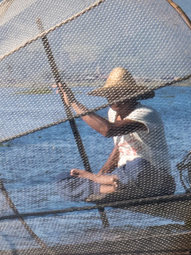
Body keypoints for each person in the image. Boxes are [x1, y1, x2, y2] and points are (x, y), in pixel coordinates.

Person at [57, 66, 176, 201]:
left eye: (121, 93)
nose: (115, 98)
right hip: (124, 179)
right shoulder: (112, 113)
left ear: (132, 95)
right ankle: (111, 187)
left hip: (156, 181)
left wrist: (73, 103)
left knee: (137, 165)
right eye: (111, 94)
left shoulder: (146, 113)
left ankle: (108, 184)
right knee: (63, 180)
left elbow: (109, 130)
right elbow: (119, 148)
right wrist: (102, 174)